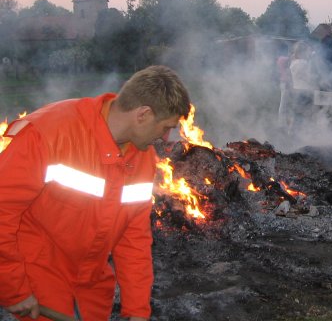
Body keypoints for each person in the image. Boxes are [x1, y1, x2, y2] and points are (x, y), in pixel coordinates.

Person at [0, 65, 191, 321]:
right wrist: (14, 289)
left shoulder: (142, 159)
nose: (166, 137)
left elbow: (133, 239)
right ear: (143, 114)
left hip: (92, 287)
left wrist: (137, 310)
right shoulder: (48, 134)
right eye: (166, 127)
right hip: (38, 276)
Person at [289, 41, 316, 128]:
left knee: (297, 114)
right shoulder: (304, 63)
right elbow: (309, 78)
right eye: (307, 50)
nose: (308, 52)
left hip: (296, 90)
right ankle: (302, 133)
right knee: (306, 114)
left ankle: (293, 132)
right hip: (305, 91)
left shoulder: (293, 63)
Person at [276, 44, 293, 129]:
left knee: (284, 104)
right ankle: (281, 124)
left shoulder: (279, 59)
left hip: (283, 82)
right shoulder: (284, 59)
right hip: (286, 83)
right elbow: (290, 59)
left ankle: (283, 122)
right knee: (284, 104)